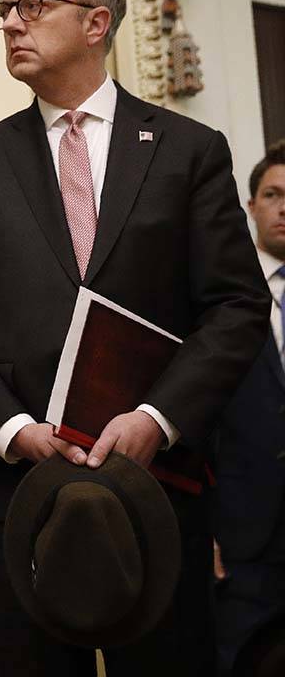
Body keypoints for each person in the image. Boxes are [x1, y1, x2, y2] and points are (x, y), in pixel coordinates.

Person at [0, 0, 268, 676]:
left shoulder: (188, 151)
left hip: (157, 481)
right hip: (18, 487)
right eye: (3, 11)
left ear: (97, 21)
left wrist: (157, 419)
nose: (11, 23)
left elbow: (235, 306)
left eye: (32, 6)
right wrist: (12, 430)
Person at [212, 139, 285, 676]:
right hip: (245, 535)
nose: (284, 207)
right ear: (251, 206)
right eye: (273, 194)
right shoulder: (218, 299)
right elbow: (198, 416)